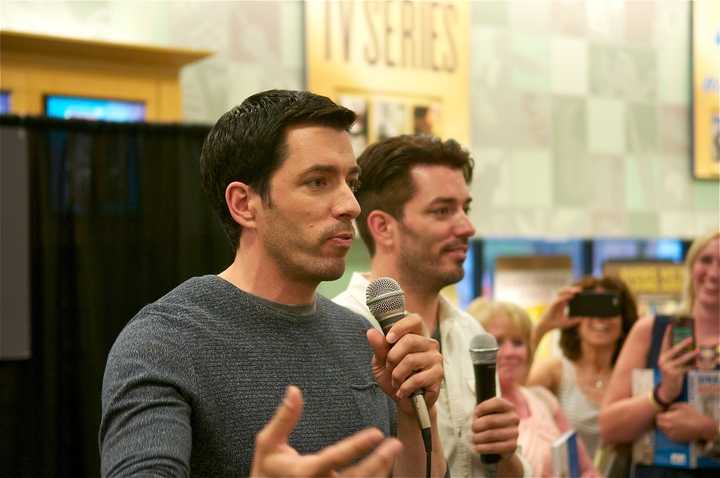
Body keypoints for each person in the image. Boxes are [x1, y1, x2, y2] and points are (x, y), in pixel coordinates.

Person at [99, 90, 446, 478]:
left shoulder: (360, 337)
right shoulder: (165, 341)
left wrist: (414, 416)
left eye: (351, 181)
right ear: (244, 204)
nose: (351, 205)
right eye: (318, 181)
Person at [333, 134, 528, 478]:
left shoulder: (471, 333)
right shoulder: (337, 332)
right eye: (442, 211)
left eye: (464, 209)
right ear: (383, 227)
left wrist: (507, 455)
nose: (467, 227)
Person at [599, 231, 720, 477]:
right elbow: (609, 427)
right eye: (706, 260)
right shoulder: (650, 330)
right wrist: (662, 394)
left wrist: (709, 430)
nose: (714, 273)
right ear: (692, 266)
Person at [472, 300, 600, 478]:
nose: (510, 352)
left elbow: (585, 468)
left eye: (518, 343)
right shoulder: (470, 409)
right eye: (498, 342)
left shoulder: (543, 399)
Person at [526, 275, 639, 460]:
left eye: (608, 309)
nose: (600, 319)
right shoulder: (555, 372)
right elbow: (512, 390)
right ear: (575, 318)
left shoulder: (636, 375)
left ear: (624, 320)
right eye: (592, 308)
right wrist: (543, 327)